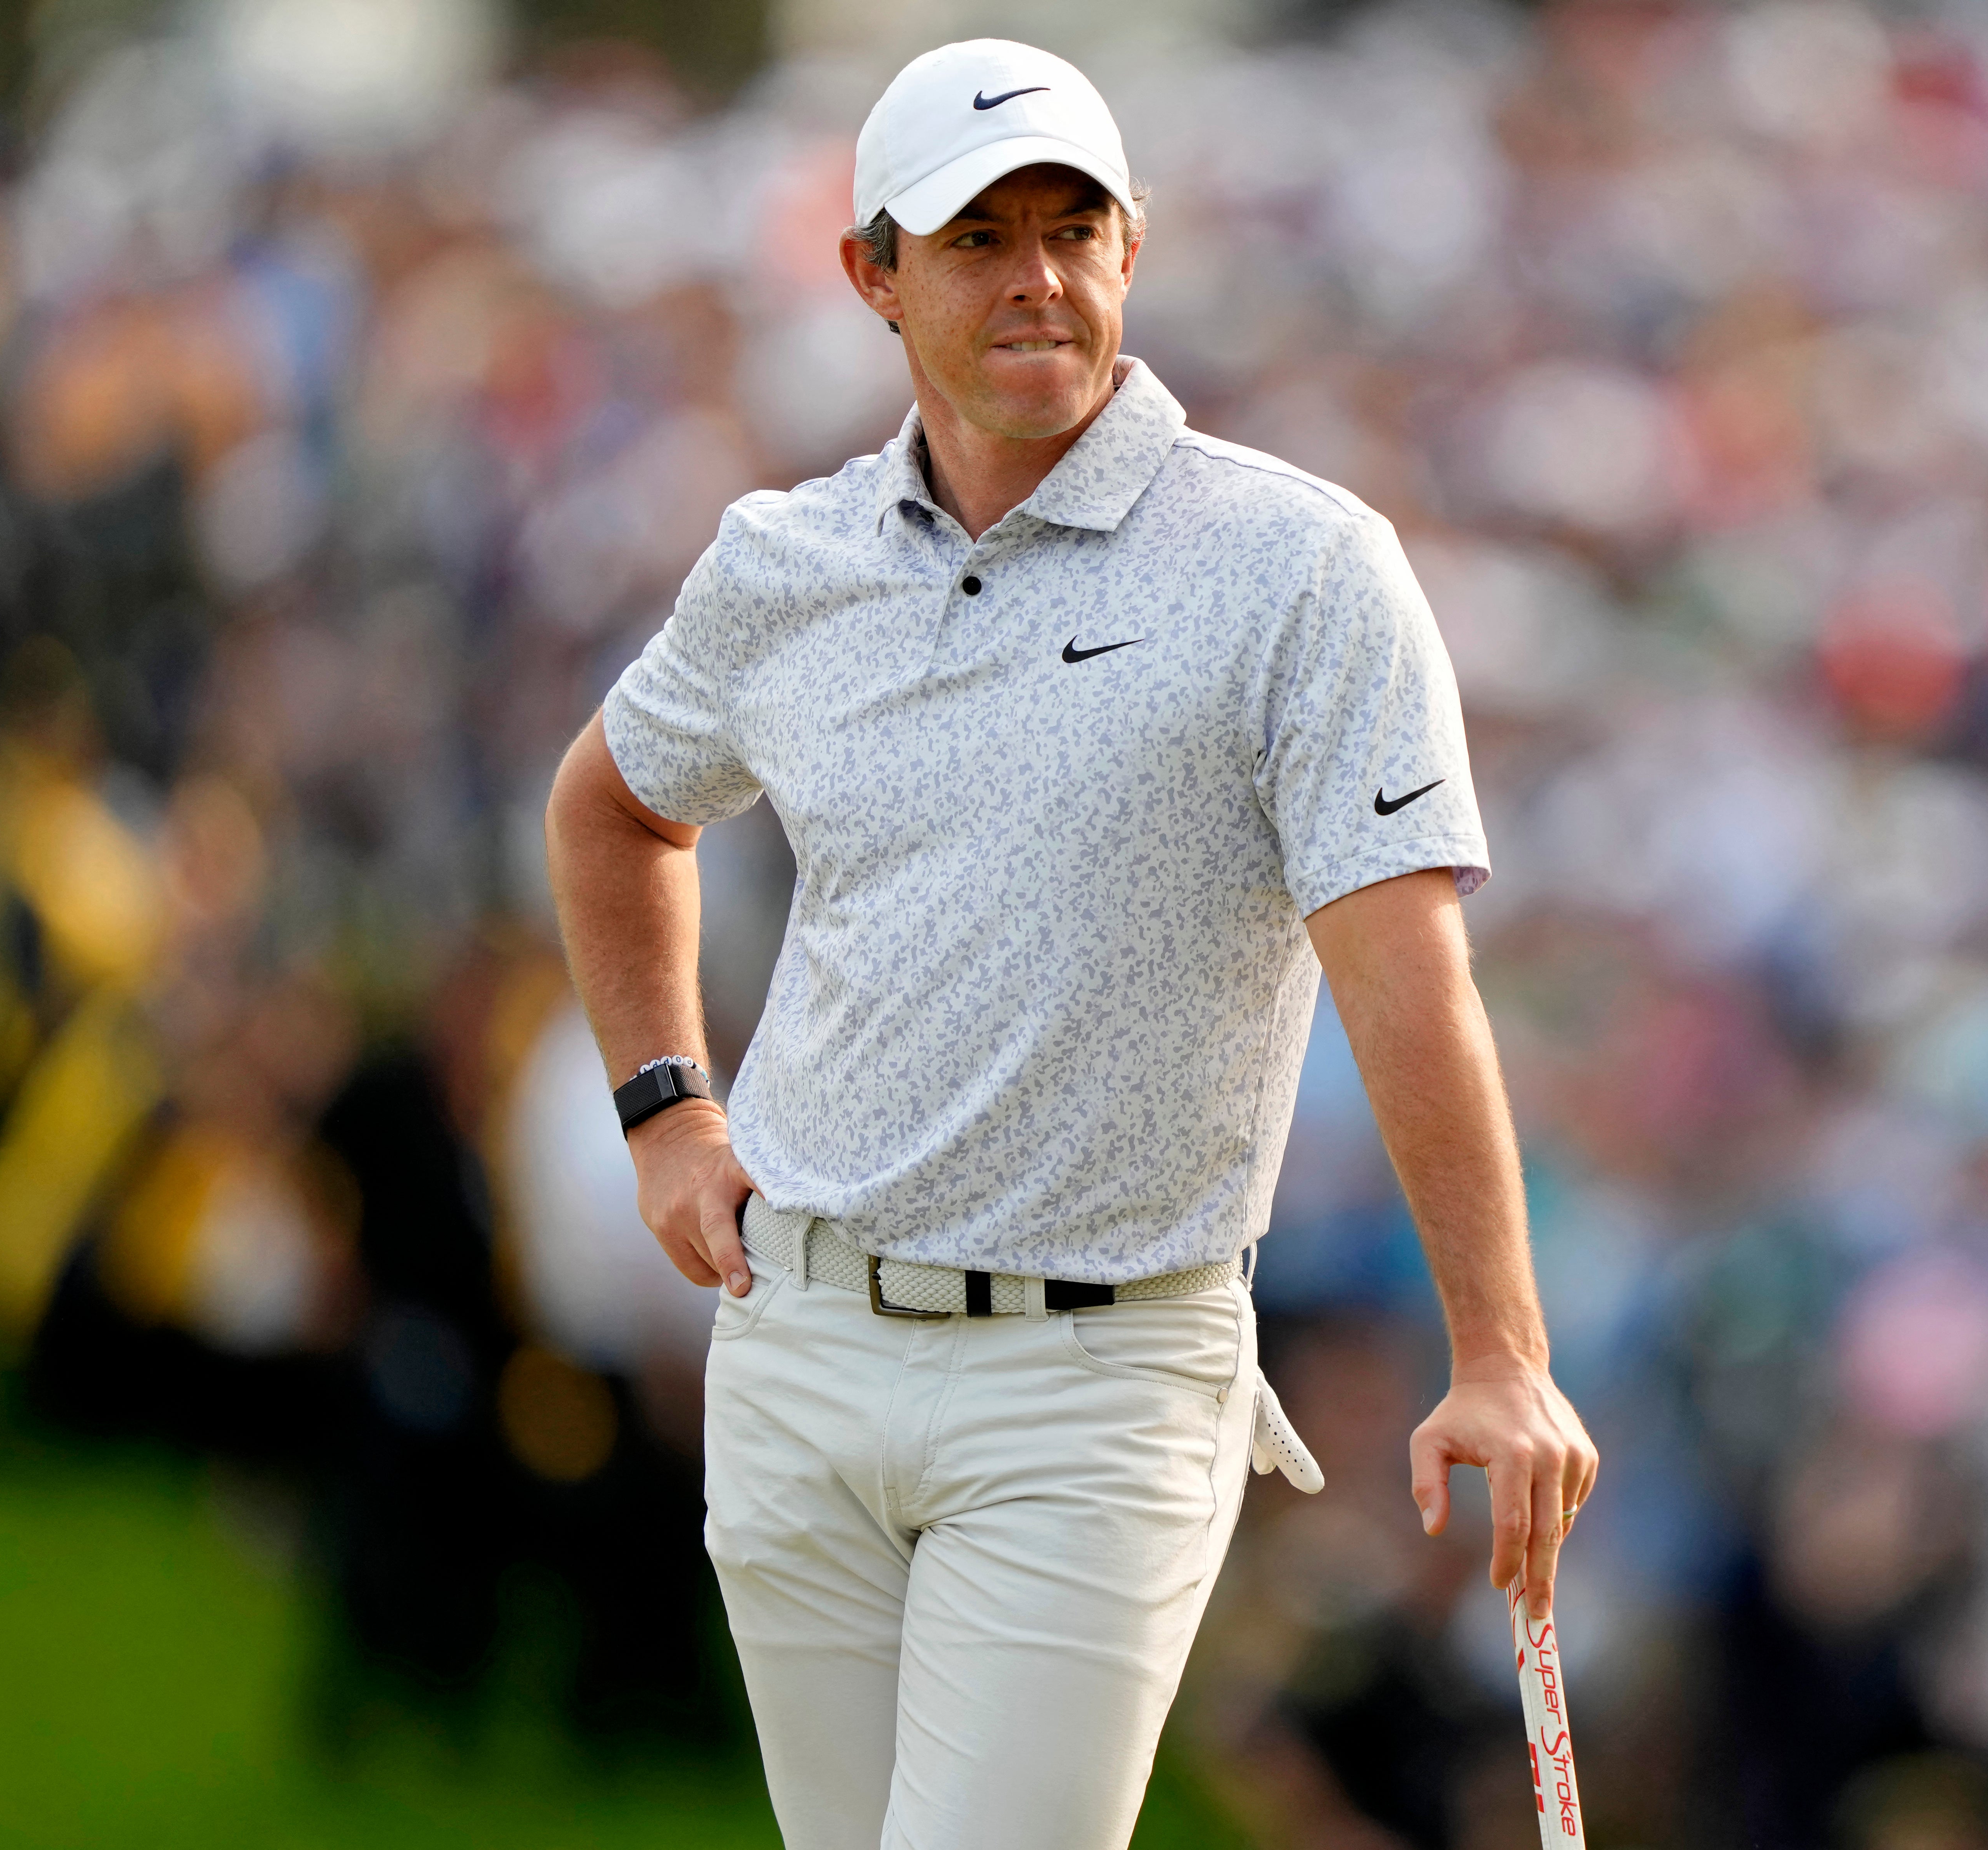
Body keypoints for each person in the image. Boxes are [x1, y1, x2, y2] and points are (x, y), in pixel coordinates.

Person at [541, 36, 1598, 1850]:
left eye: (1073, 227)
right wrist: (664, 1109)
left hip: (1095, 1381)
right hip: (795, 1341)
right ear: (874, 273)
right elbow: (615, 805)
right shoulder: (785, 564)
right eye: (974, 239)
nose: (1035, 275)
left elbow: (1404, 972)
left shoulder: (1295, 568)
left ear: (1130, 250)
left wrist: (1498, 1345)